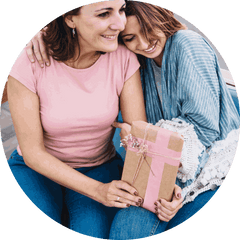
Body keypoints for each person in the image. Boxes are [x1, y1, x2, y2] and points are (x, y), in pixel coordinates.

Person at [26, 1, 240, 239]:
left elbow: (205, 131)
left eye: (148, 31)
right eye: (130, 38)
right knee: (124, 231)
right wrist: (42, 31)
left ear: (161, 17)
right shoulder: (136, 58)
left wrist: (149, 146)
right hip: (159, 164)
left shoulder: (187, 45)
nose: (143, 43)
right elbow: (85, 33)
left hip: (206, 164)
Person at [7, 1, 148, 239]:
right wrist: (98, 192)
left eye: (122, 10)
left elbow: (139, 135)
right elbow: (32, 153)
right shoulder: (30, 60)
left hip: (99, 167)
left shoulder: (123, 57)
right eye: (104, 14)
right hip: (36, 168)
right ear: (70, 18)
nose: (120, 23)